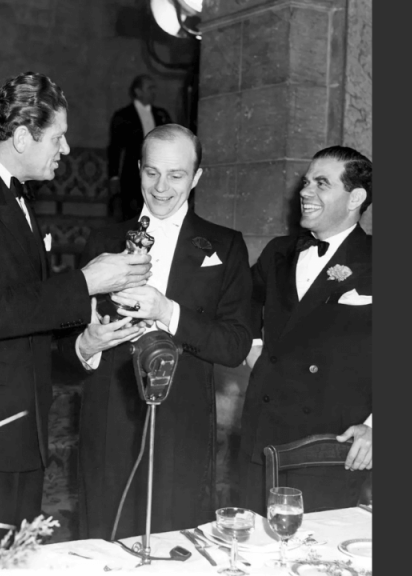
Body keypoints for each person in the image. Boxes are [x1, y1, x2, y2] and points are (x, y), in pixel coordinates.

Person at [0, 71, 152, 550]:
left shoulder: (16, 195)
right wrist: (87, 280)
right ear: (23, 137)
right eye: (59, 137)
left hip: (20, 434)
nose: (66, 150)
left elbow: (24, 319)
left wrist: (82, 345)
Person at [61, 124, 253, 540]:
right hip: (108, 410)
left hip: (183, 417)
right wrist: (87, 346)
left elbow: (235, 346)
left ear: (197, 177)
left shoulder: (226, 245)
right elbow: (68, 338)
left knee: (175, 538)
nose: (161, 188)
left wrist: (168, 311)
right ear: (138, 170)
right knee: (103, 536)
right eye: (151, 173)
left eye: (176, 175)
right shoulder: (103, 238)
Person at [237, 145, 373, 514]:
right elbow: (243, 299)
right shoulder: (278, 252)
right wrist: (252, 345)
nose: (305, 191)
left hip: (331, 445)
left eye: (321, 184)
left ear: (355, 197)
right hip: (262, 438)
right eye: (306, 181)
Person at [107, 74, 173, 220]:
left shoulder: (161, 115)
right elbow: (115, 148)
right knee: (132, 216)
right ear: (138, 91)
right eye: (150, 88)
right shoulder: (123, 116)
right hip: (132, 174)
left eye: (154, 88)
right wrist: (114, 176)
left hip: (158, 173)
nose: (153, 92)